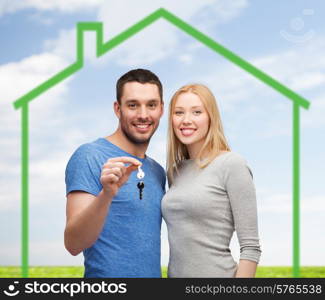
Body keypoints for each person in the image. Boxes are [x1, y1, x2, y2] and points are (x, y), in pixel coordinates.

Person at [64, 69, 166, 278]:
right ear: (117, 109)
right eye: (133, 105)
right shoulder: (90, 156)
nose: (143, 115)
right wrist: (107, 194)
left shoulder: (158, 172)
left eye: (151, 105)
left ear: (161, 110)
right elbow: (73, 244)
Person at [162, 84, 261, 278]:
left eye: (197, 112)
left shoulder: (232, 164)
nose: (186, 120)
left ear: (211, 117)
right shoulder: (175, 171)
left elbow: (251, 247)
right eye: (179, 112)